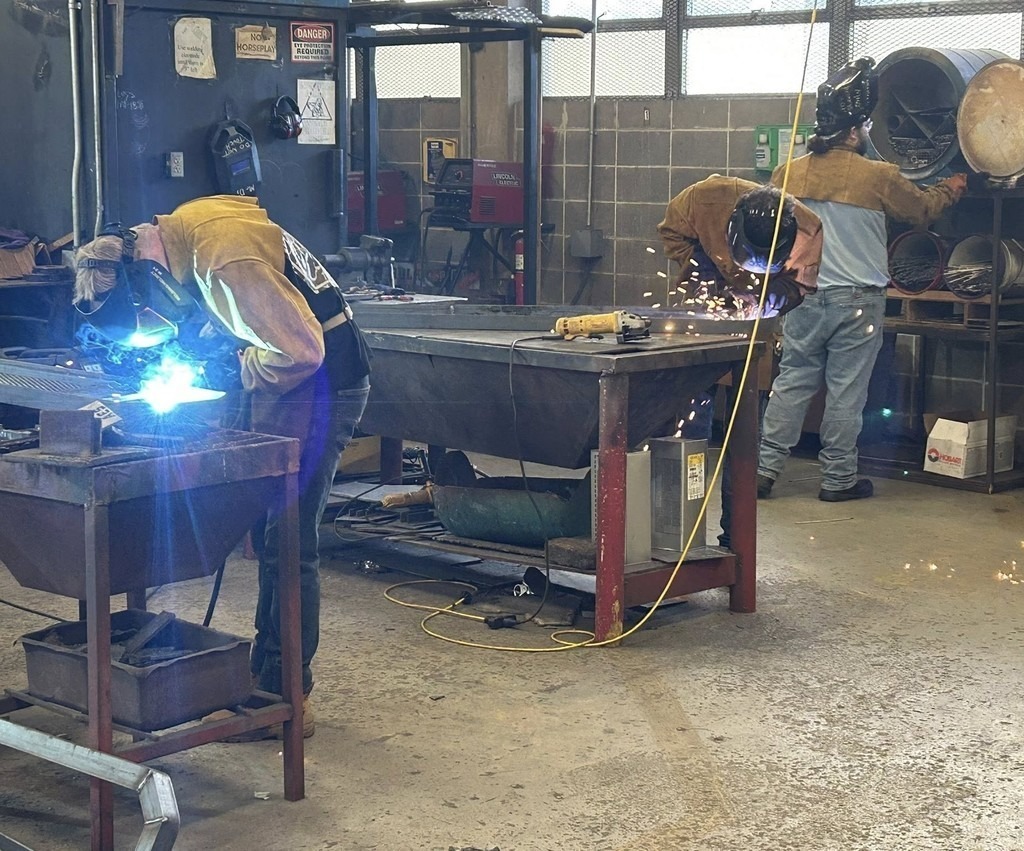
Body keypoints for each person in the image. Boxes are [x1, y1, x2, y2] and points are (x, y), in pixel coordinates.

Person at [74, 195, 372, 738]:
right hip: (297, 381)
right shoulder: (191, 226)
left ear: (147, 279)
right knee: (270, 536)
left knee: (288, 542)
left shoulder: (221, 257)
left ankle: (286, 695)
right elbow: (245, 314)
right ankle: (263, 678)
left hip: (321, 387)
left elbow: (301, 354)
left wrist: (233, 368)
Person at [756, 57, 967, 502]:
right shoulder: (878, 176)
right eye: (866, 125)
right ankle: (837, 480)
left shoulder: (787, 172)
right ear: (854, 132)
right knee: (846, 392)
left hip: (803, 296)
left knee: (792, 382)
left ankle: (764, 471)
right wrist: (950, 189)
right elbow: (922, 210)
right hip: (858, 302)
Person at [657, 178, 823, 546]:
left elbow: (800, 286)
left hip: (753, 336)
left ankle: (736, 541)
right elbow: (671, 232)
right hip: (700, 325)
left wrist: (764, 301)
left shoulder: (808, 229)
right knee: (688, 427)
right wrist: (705, 272)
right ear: (732, 227)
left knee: (743, 437)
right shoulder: (703, 198)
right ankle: (679, 536)